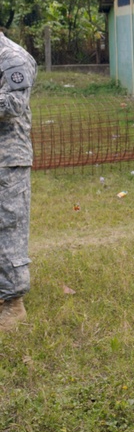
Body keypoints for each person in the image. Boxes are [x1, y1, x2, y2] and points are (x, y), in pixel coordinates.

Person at [0, 29, 37, 331]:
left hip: (7, 161)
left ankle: (13, 303)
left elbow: (13, 105)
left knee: (8, 226)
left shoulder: (12, 58)